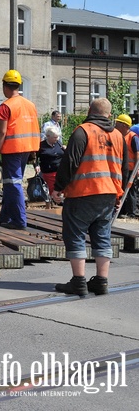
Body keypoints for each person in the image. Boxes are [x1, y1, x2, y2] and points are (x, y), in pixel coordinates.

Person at [51, 98, 126, 297]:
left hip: (83, 193)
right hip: (109, 194)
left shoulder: (82, 131)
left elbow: (70, 162)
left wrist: (58, 188)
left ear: (89, 111)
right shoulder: (119, 135)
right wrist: (119, 194)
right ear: (109, 115)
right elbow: (123, 168)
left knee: (75, 235)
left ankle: (78, 282)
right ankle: (101, 281)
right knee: (102, 236)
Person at [0, 70, 40, 230]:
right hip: (27, 149)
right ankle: (5, 216)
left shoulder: (6, 106)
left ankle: (19, 220)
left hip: (12, 150)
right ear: (18, 85)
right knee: (11, 183)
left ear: (5, 86)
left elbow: (2, 132)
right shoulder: (30, 105)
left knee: (13, 183)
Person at [114, 114, 139, 218]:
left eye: (118, 123)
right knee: (122, 190)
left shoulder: (133, 137)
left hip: (131, 169)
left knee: (131, 191)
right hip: (122, 169)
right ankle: (122, 211)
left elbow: (137, 153)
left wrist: (137, 169)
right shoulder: (120, 136)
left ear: (124, 125)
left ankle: (131, 213)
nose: (115, 125)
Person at [37, 124, 65, 201]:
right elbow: (35, 157)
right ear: (48, 136)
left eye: (57, 137)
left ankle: (61, 201)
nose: (57, 139)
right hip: (49, 172)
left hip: (60, 171)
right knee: (53, 190)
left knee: (64, 188)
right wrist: (36, 166)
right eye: (55, 137)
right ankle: (54, 201)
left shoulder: (58, 144)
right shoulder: (41, 146)